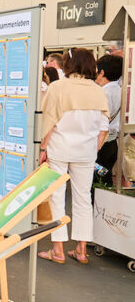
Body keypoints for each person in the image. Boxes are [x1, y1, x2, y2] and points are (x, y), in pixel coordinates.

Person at [38, 48, 109, 265]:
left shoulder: (58, 88)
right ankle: (81, 249)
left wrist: (43, 150)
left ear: (69, 64)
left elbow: (49, 123)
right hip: (86, 152)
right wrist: (92, 149)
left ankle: (58, 248)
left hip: (59, 149)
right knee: (83, 199)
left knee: (57, 196)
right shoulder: (99, 91)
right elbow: (104, 129)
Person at [95, 54, 123, 181]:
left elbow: (99, 118)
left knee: (96, 178)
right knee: (105, 177)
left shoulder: (103, 92)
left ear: (102, 72)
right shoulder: (119, 89)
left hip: (101, 142)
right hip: (112, 142)